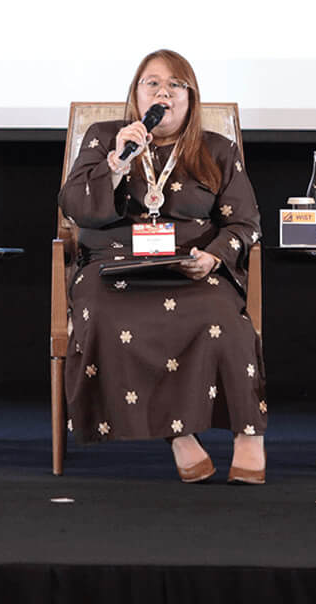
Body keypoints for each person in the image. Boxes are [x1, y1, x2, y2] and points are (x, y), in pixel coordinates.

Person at [59, 49, 266, 483]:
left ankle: (248, 434)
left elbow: (246, 222)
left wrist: (214, 256)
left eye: (175, 84)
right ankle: (180, 436)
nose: (163, 92)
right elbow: (75, 208)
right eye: (151, 83)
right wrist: (117, 163)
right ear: (136, 96)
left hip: (192, 268)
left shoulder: (216, 149)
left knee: (220, 316)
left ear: (191, 98)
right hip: (116, 268)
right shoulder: (104, 138)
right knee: (106, 311)